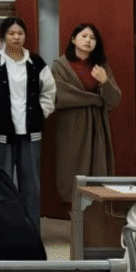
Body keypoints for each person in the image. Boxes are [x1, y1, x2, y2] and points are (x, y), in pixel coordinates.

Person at [0, 17, 56, 229]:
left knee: (31, 184)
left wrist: (41, 112)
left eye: (20, 33)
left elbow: (49, 91)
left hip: (30, 132)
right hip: (0, 132)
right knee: (1, 182)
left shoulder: (36, 62)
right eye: (11, 33)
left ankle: (31, 231)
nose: (16, 37)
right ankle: (2, 230)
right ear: (2, 36)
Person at [51, 23, 121, 205]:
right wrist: (96, 99)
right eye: (84, 36)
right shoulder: (60, 65)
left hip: (98, 127)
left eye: (93, 37)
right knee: (71, 172)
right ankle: (73, 215)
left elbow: (114, 100)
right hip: (72, 127)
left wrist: (105, 82)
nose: (88, 40)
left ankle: (94, 217)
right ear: (73, 39)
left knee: (98, 174)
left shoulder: (101, 66)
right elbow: (60, 96)